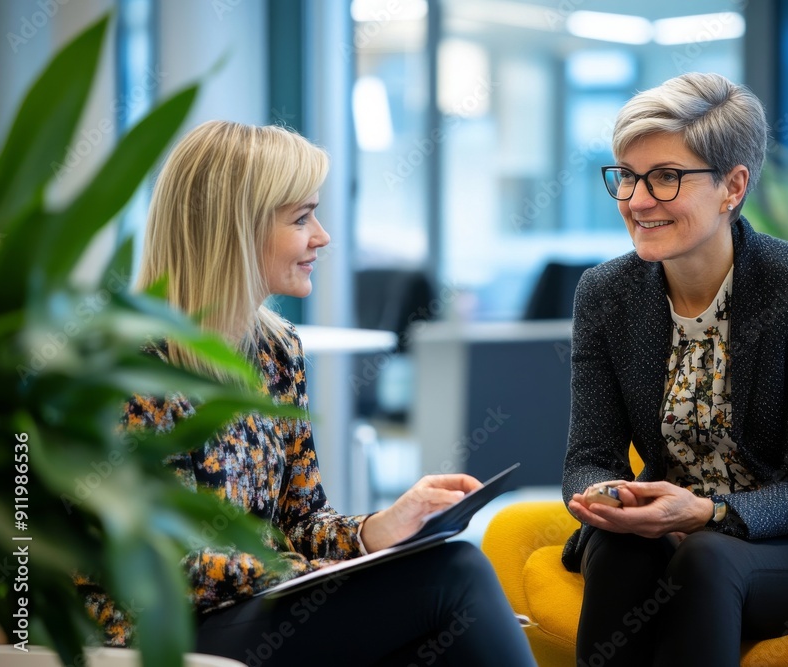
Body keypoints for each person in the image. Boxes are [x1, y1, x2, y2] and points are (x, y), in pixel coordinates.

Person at [80, 120, 537, 666]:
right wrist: (317, 574)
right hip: (157, 636)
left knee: (442, 614)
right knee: (454, 578)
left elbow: (299, 522)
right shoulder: (133, 364)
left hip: (254, 610)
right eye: (301, 219)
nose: (321, 236)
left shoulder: (276, 351)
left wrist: (378, 531)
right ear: (234, 229)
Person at [561, 72, 788, 666]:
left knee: (704, 557)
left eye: (665, 177)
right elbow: (588, 455)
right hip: (662, 531)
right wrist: (608, 496)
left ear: (732, 186)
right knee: (617, 547)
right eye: (628, 177)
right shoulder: (604, 293)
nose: (636, 201)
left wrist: (709, 514)